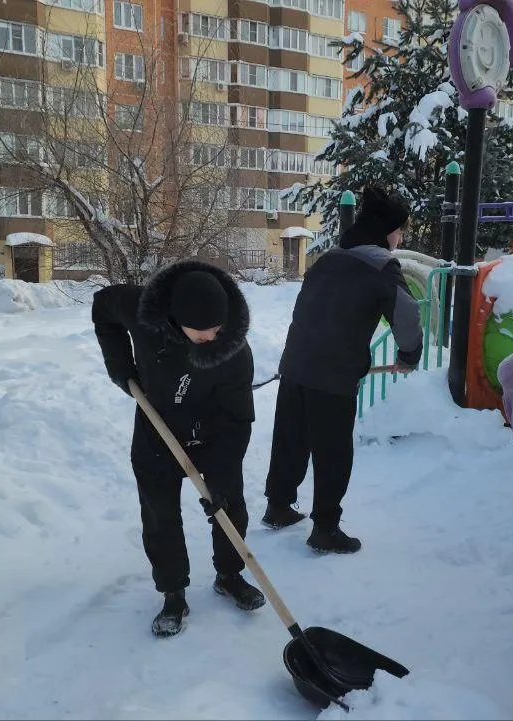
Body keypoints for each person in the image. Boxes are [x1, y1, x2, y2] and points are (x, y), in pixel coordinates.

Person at [91, 259, 264, 638]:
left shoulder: (234, 351)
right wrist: (120, 366)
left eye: (217, 328)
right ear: (176, 317)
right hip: (157, 426)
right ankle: (173, 593)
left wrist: (221, 479)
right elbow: (103, 307)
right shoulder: (143, 312)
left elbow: (237, 421)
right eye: (202, 330)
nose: (212, 336)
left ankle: (229, 575)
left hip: (214, 431)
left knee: (229, 504)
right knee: (160, 514)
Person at [261, 186, 423, 554]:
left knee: (291, 439)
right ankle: (325, 529)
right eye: (399, 231)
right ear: (385, 231)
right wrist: (409, 355)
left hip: (296, 364)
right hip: (333, 377)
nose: (400, 239)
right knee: (333, 451)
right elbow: (407, 313)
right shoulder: (382, 266)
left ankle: (278, 506)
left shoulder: (328, 259)